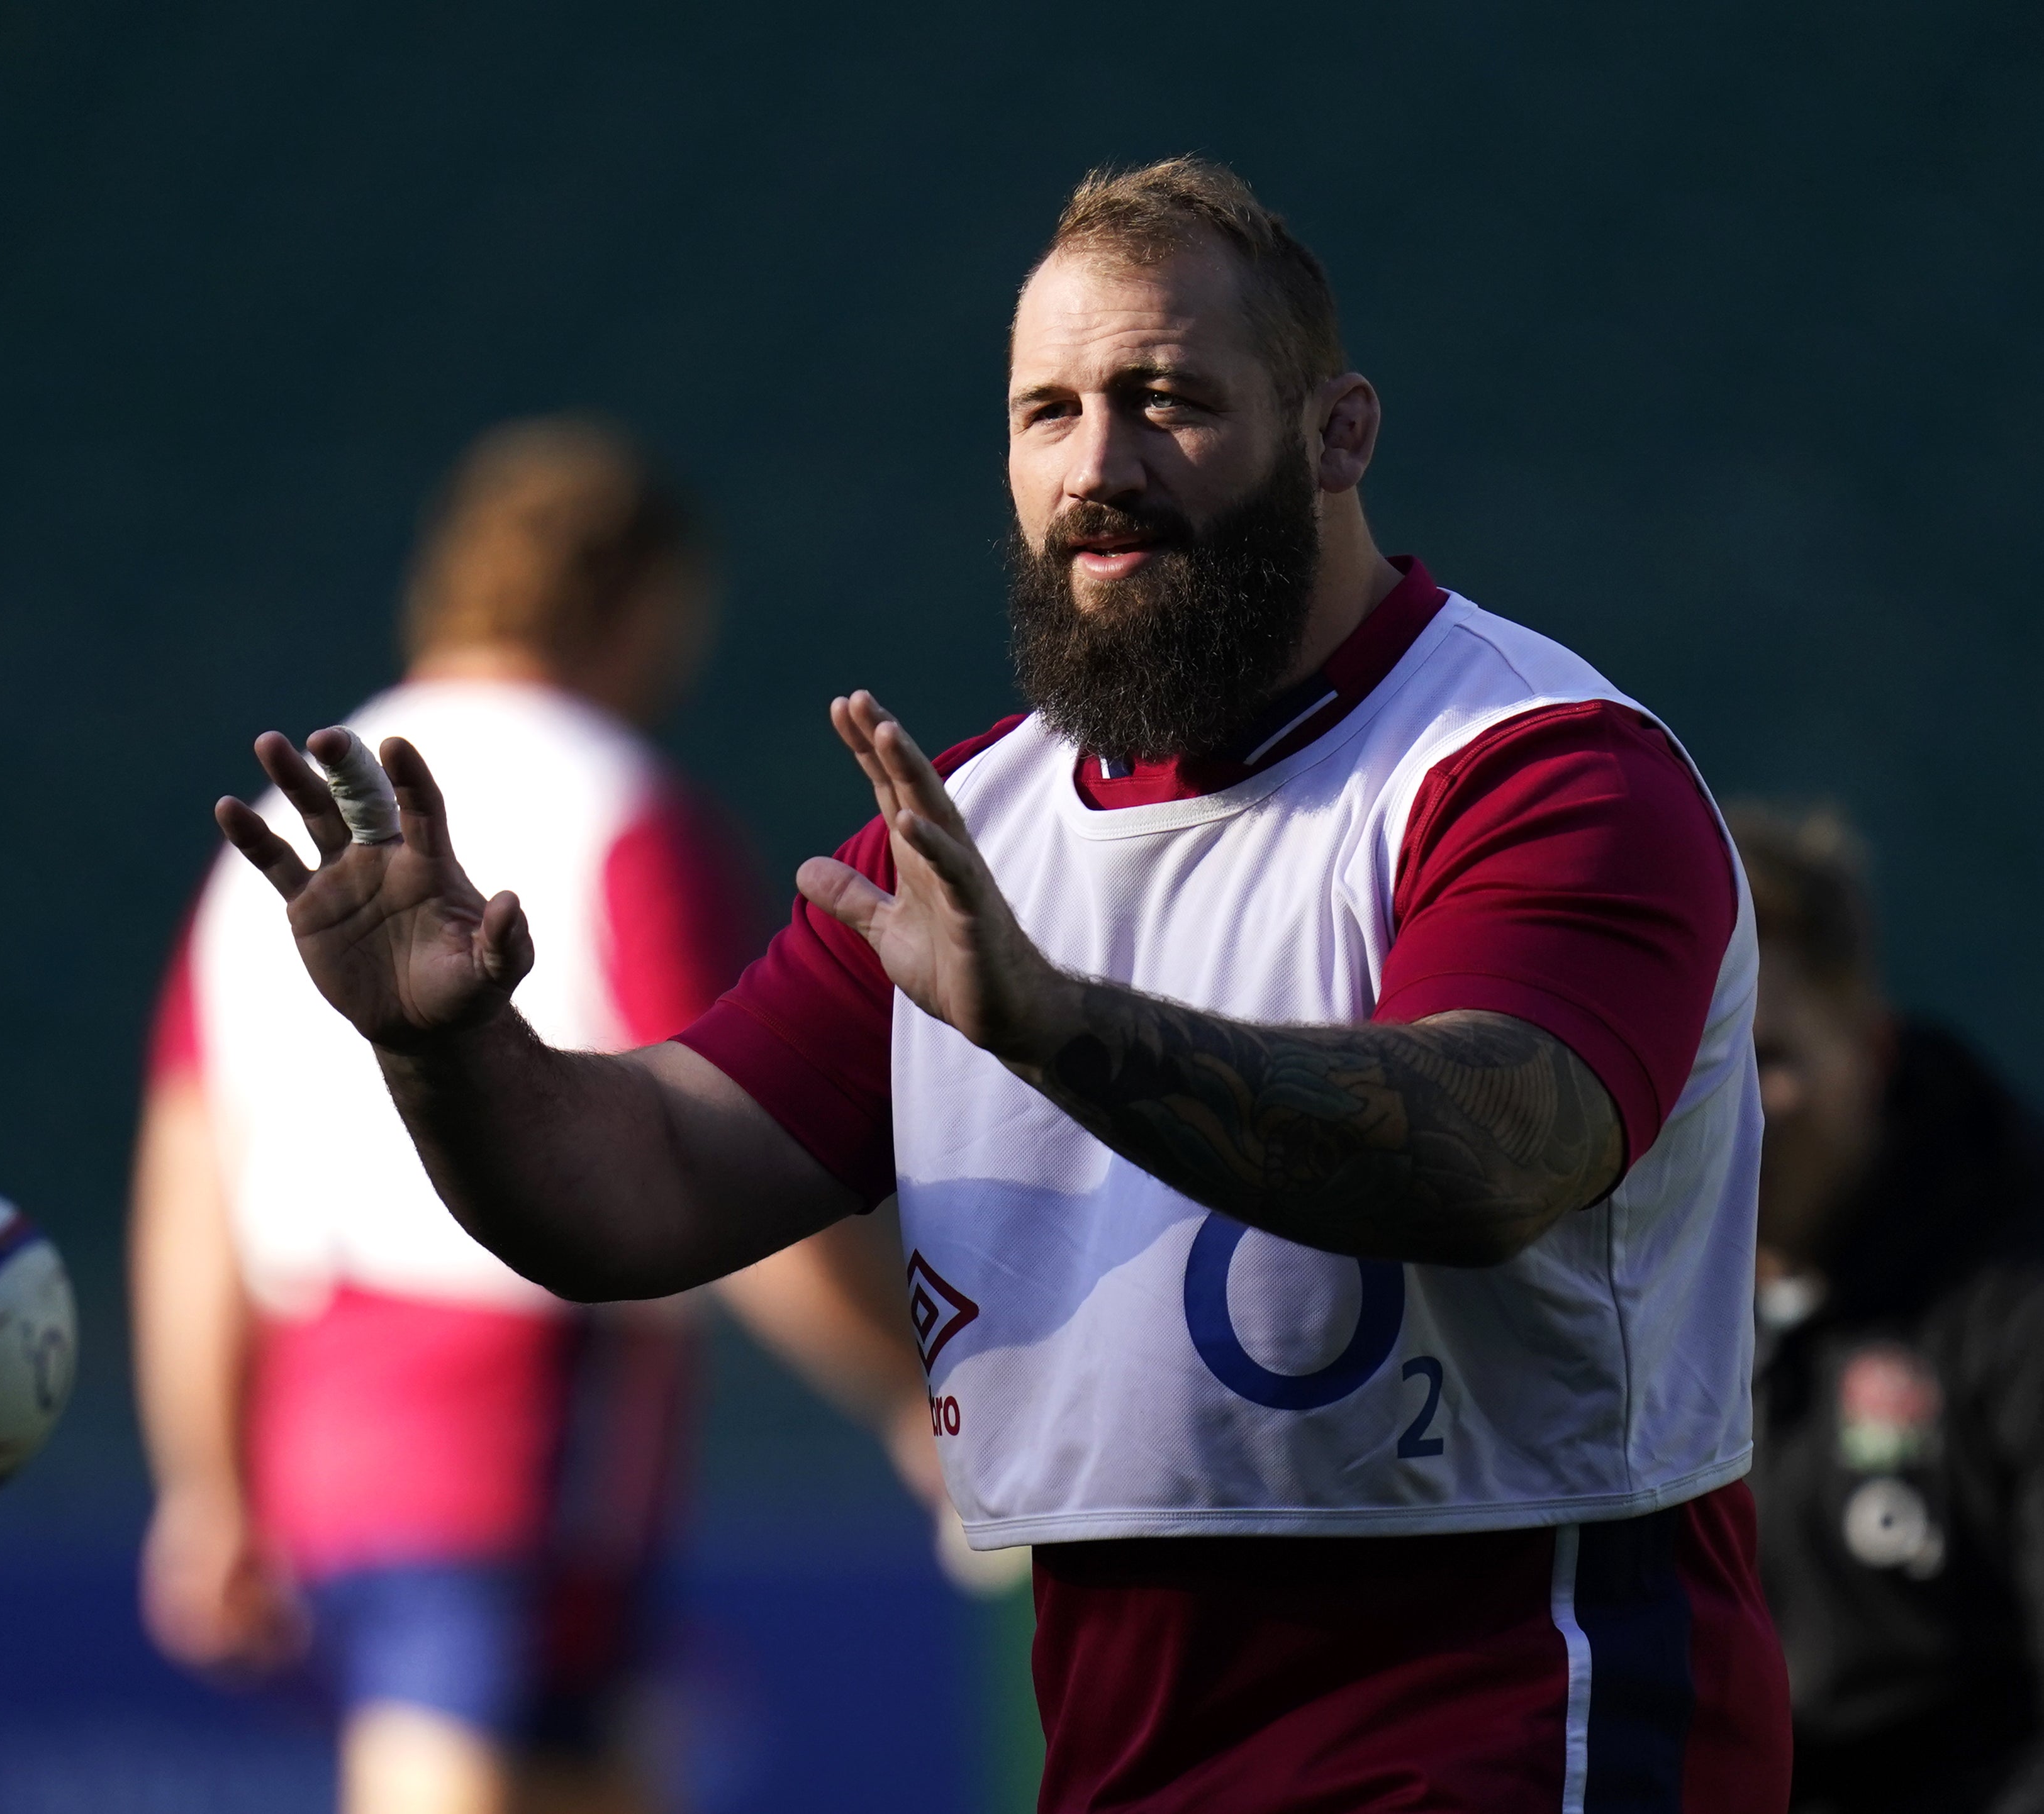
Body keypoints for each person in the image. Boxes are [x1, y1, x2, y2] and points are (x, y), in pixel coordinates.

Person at [211, 160, 1790, 1808]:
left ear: (1338, 434)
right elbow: (638, 1184)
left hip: (1513, 1738)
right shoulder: (970, 829)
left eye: (1166, 399)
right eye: (1048, 412)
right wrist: (445, 1045)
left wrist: (1056, 1025)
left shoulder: (1538, 772)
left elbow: (1487, 1152)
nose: (1096, 465)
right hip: (1124, 1762)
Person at [132, 416, 939, 1814]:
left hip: (320, 1422)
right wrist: (913, 1391)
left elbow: (192, 1173)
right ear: (647, 606)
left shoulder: (292, 828)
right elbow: (731, 1148)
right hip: (518, 1414)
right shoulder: (620, 807)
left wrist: (203, 1477)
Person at [1734, 803, 2044, 1814]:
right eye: (1704, 1067)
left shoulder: (2012, 1297)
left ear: (1869, 1048)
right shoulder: (1609, 1290)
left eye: (1772, 1057)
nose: (1739, 1110)